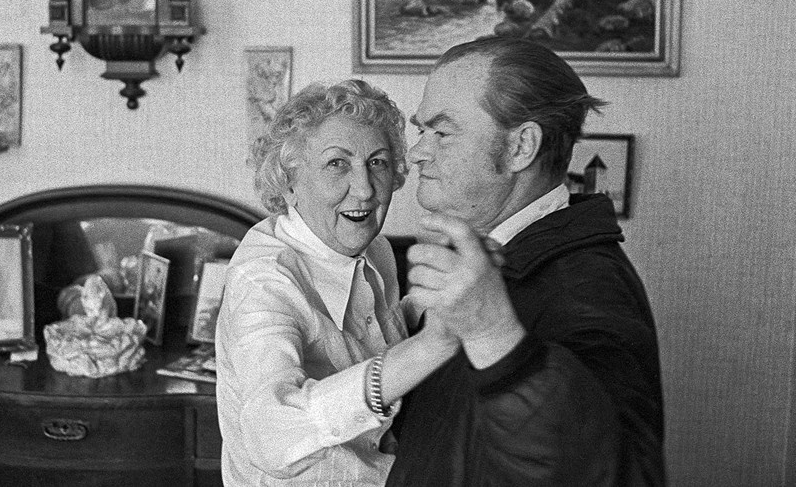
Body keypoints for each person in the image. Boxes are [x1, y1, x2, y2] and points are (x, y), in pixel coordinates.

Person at [385, 36, 665, 486]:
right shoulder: (477, 267)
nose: (417, 152)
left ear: (521, 147)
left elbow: (617, 475)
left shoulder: (587, 287)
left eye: (442, 132)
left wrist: (493, 334)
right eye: (422, 131)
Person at [215, 79, 460, 485]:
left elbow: (367, 342)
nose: (364, 190)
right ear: (289, 184)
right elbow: (270, 433)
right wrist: (430, 347)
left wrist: (429, 303)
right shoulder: (263, 282)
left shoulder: (375, 250)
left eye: (377, 162)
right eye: (337, 164)